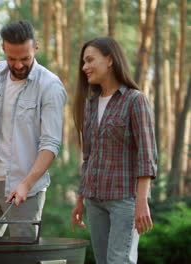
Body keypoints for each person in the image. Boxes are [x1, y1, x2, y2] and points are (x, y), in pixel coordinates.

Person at [0, 20, 67, 239]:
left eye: (25, 58)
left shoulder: (50, 87)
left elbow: (51, 145)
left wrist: (26, 184)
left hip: (27, 189)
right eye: (12, 59)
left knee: (22, 255)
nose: (18, 65)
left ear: (36, 48)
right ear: (3, 49)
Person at [70, 37, 157, 264]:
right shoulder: (90, 105)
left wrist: (141, 201)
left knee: (119, 260)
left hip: (124, 200)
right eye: (83, 62)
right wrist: (80, 198)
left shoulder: (135, 100)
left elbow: (147, 154)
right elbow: (88, 157)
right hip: (94, 199)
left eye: (90, 60)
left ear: (109, 60)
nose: (84, 67)